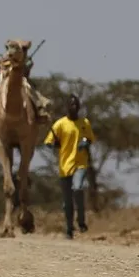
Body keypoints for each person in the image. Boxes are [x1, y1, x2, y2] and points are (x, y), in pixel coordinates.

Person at [44, 94, 96, 239]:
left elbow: (91, 138)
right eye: (71, 105)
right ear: (67, 107)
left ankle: (81, 221)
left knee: (78, 188)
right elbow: (48, 141)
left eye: (76, 105)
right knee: (67, 202)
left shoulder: (84, 122)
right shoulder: (60, 124)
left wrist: (86, 142)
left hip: (80, 163)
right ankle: (69, 228)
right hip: (64, 166)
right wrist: (55, 144)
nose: (74, 107)